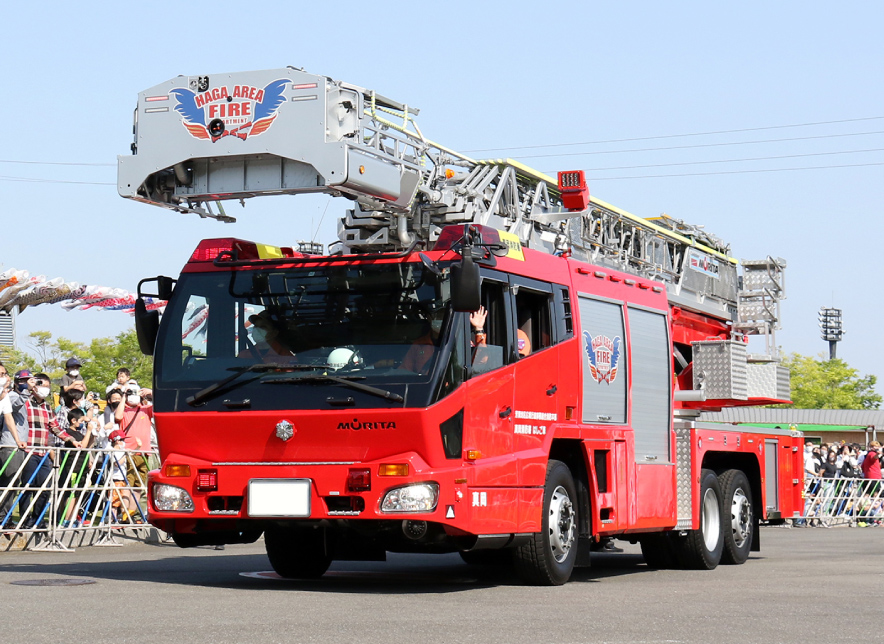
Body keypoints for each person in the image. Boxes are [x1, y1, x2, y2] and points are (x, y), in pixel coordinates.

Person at [20, 373, 82, 529]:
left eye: (47, 387)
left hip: (43, 453)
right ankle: (25, 520)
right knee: (28, 486)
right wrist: (27, 388)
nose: (45, 389)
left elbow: (55, 428)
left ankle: (38, 519)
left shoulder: (47, 407)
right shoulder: (25, 403)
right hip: (28, 450)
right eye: (42, 385)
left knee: (45, 487)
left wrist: (71, 439)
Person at [113, 385, 154, 505]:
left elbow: (161, 406)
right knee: (128, 482)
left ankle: (132, 511)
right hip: (129, 451)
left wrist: (151, 392)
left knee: (139, 484)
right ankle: (124, 512)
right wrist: (124, 396)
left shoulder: (145, 409)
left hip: (144, 451)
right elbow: (118, 417)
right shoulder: (124, 410)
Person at [0, 363, 27, 527]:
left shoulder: (5, 396)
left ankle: (5, 517)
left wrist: (17, 440)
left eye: (4, 374)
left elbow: (9, 418)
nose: (3, 377)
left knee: (9, 480)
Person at [107, 429, 139, 523]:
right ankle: (112, 519)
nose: (124, 442)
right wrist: (125, 455)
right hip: (115, 479)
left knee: (123, 499)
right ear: (117, 440)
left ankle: (122, 518)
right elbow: (117, 463)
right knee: (114, 501)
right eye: (123, 440)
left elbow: (131, 454)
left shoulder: (123, 450)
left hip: (123, 479)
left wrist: (138, 447)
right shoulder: (112, 451)